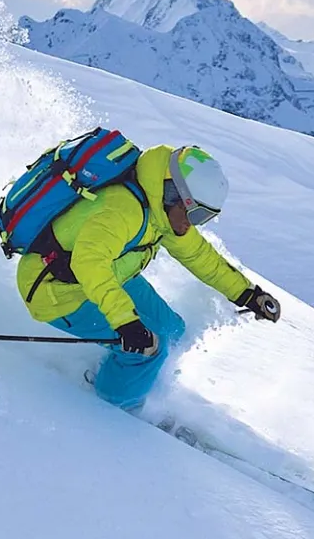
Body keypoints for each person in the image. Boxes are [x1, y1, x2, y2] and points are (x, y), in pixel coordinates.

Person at [14, 143, 280, 410]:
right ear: (175, 194)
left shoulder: (162, 213)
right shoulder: (122, 211)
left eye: (205, 217)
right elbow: (89, 264)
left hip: (110, 273)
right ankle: (113, 409)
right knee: (148, 350)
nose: (193, 223)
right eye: (195, 212)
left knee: (172, 330)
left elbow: (199, 256)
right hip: (57, 291)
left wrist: (248, 294)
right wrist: (125, 322)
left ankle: (120, 377)